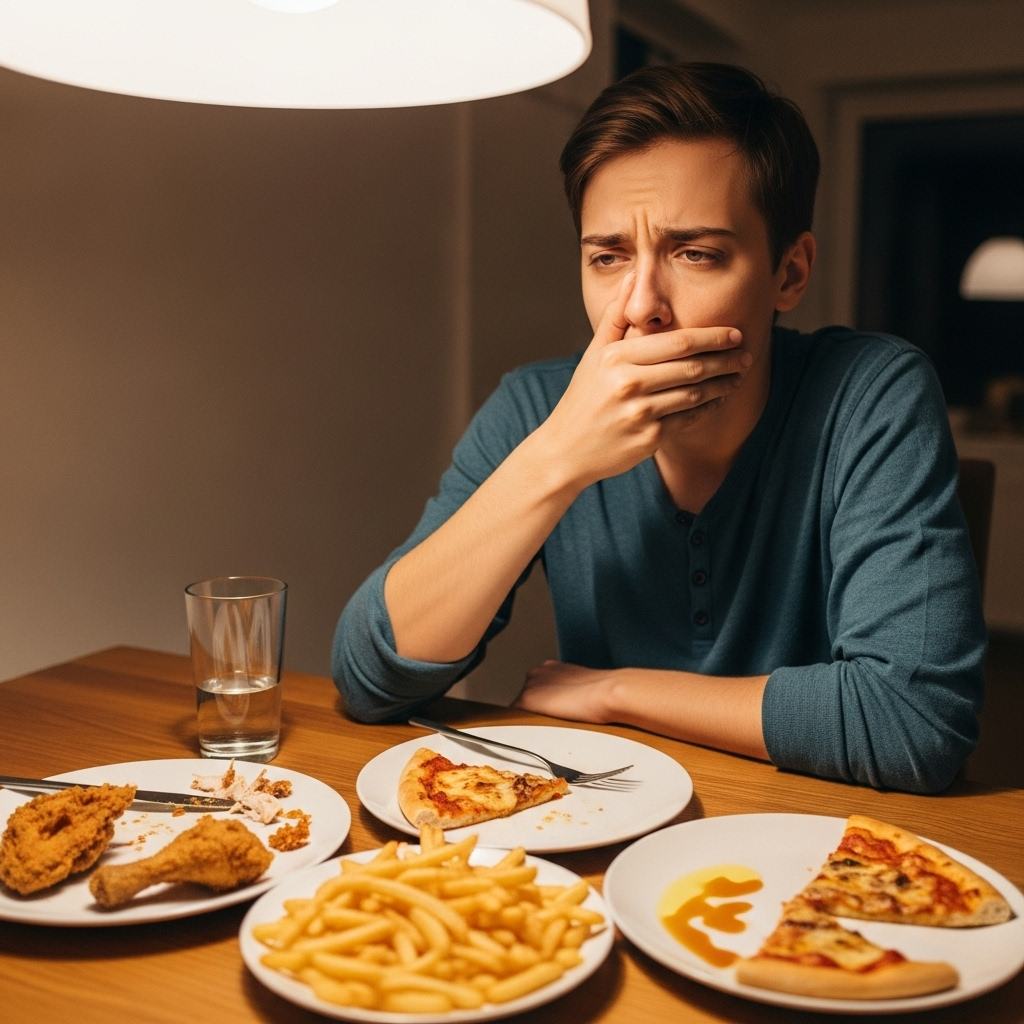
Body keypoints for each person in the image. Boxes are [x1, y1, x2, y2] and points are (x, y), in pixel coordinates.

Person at [333, 63, 985, 794]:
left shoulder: (871, 394)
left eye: (696, 254)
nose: (641, 305)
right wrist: (557, 458)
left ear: (790, 274)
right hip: (602, 821)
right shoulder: (537, 407)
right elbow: (369, 678)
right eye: (607, 258)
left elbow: (912, 722)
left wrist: (614, 691)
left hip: (816, 830)